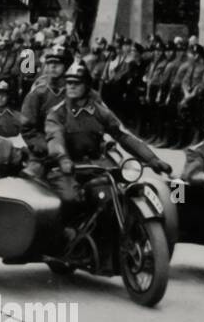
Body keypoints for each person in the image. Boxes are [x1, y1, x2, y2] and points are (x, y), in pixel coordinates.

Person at [43, 60, 172, 214]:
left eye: (77, 83)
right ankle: (69, 232)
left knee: (120, 191)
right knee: (72, 199)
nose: (71, 86)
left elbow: (123, 136)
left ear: (87, 86)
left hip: (96, 165)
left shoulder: (99, 111)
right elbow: (54, 138)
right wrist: (62, 158)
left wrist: (152, 159)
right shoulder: (57, 113)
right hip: (67, 168)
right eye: (69, 82)